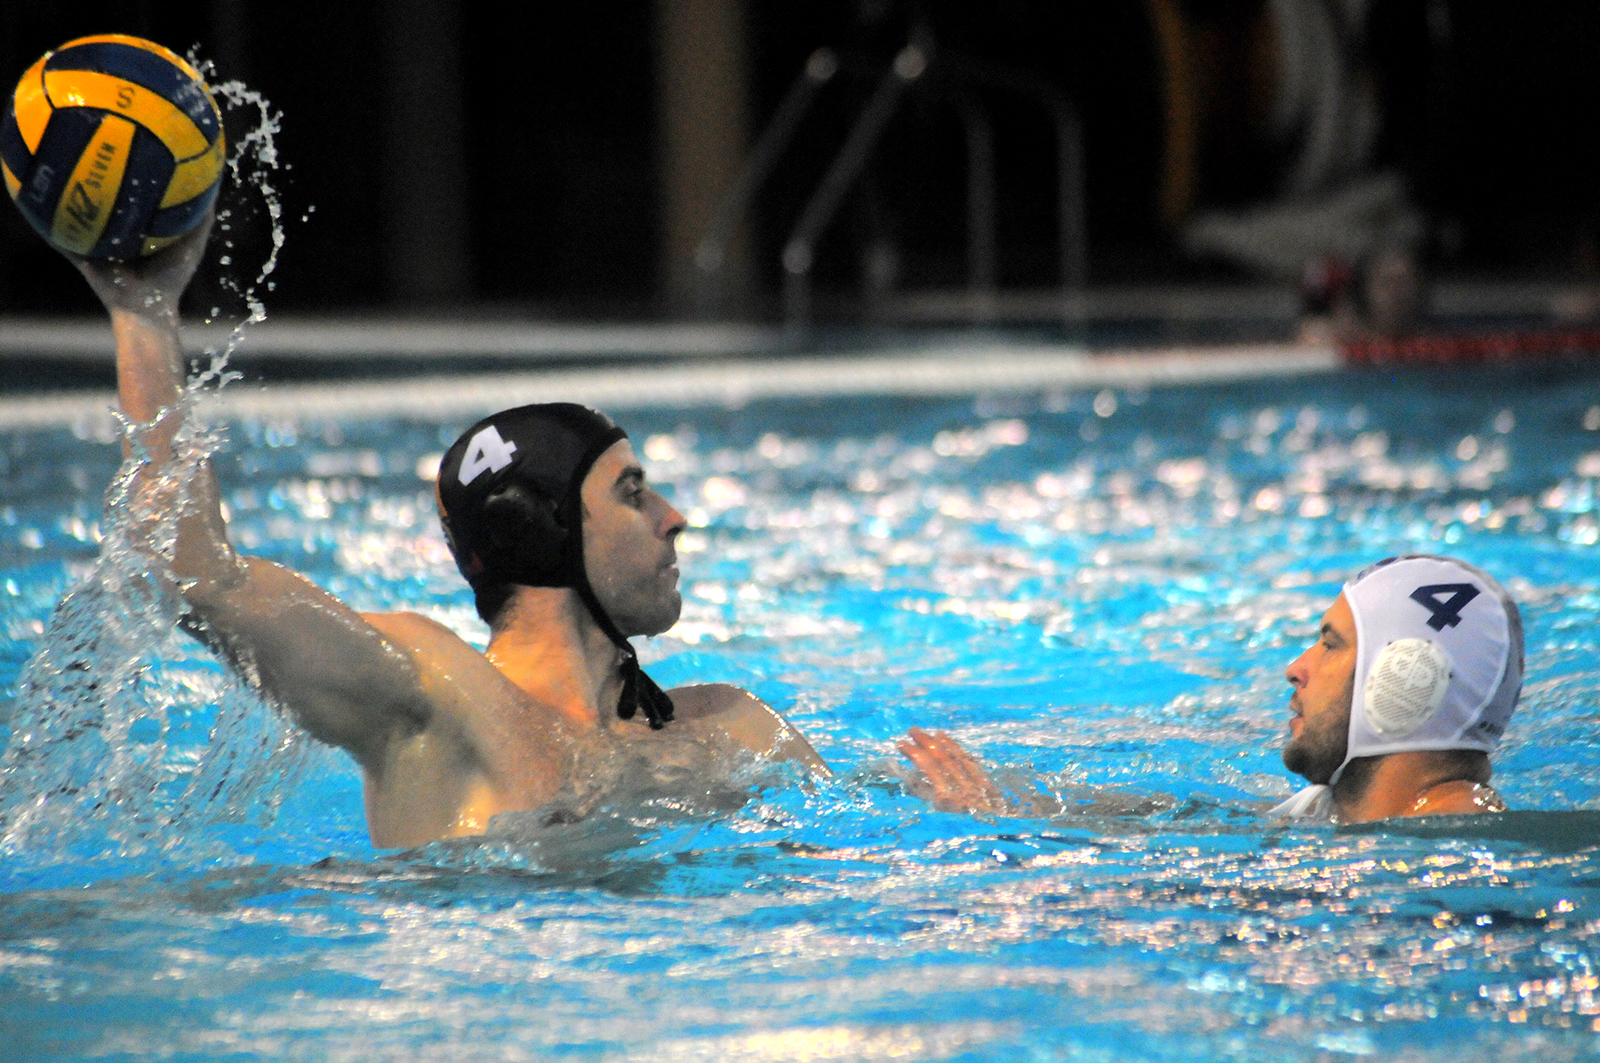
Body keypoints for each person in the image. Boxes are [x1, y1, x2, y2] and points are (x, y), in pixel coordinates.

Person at [70, 218, 1004, 849]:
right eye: (633, 493)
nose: (675, 517)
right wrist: (143, 313)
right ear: (548, 530)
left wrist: (978, 821)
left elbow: (868, 845)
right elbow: (198, 574)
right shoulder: (436, 698)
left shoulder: (731, 729)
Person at [1272, 554, 1524, 823]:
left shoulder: (1461, 839)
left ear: (1402, 680)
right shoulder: (1318, 814)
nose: (1294, 670)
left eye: (1331, 645)